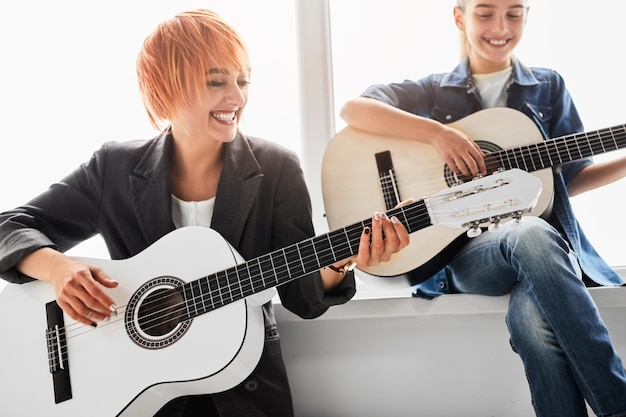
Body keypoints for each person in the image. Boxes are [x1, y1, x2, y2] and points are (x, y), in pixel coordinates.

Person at [0, 9, 409, 417]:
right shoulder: (114, 168)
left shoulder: (277, 167)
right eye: (217, 82)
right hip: (135, 397)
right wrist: (58, 269)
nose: (236, 97)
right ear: (165, 87)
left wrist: (342, 259)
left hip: (245, 397)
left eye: (242, 80)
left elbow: (302, 297)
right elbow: (10, 227)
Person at [340, 0, 626, 416]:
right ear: (460, 16)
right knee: (529, 231)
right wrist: (438, 136)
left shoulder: (548, 88)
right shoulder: (434, 91)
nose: (500, 26)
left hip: (543, 257)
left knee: (531, 320)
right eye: (485, 12)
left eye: (513, 13)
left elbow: (568, 181)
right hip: (468, 256)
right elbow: (353, 110)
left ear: (528, 15)